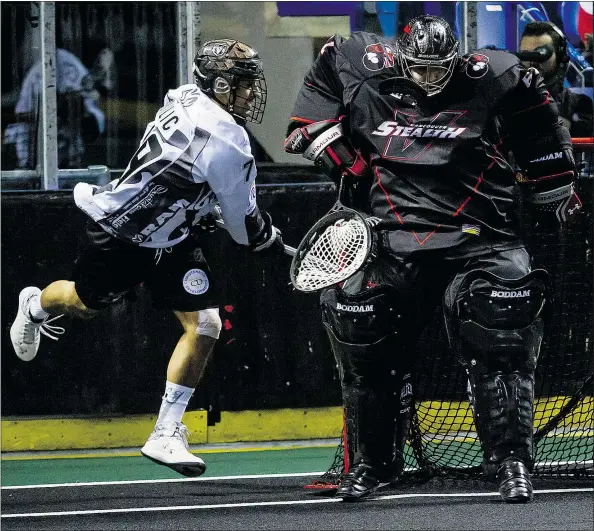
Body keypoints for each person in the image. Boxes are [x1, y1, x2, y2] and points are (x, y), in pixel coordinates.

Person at [284, 16, 581, 503]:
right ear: (402, 60)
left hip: (481, 236)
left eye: (440, 68)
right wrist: (342, 159)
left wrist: (553, 186)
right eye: (419, 69)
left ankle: (511, 461)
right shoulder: (357, 63)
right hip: (393, 236)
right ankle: (374, 465)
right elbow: (306, 118)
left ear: (457, 59)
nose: (429, 78)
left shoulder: (500, 76)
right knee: (363, 333)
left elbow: (546, 140)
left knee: (502, 330)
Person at [10, 39, 284, 477]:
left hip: (171, 237)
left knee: (207, 323)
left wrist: (197, 205)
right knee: (82, 304)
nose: (251, 93)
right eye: (243, 84)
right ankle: (34, 305)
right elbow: (242, 226)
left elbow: (182, 170)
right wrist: (263, 234)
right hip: (121, 231)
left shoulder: (185, 94)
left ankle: (165, 433)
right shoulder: (230, 142)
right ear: (218, 84)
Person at [3, 48, 105, 169]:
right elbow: (17, 123)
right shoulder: (36, 75)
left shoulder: (72, 69)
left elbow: (93, 125)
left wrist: (77, 114)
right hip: (35, 160)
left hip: (68, 161)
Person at [519, 21, 593, 137]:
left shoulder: (579, 104)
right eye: (526, 54)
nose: (532, 61)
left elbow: (584, 133)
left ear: (560, 57)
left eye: (540, 53)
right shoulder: (506, 100)